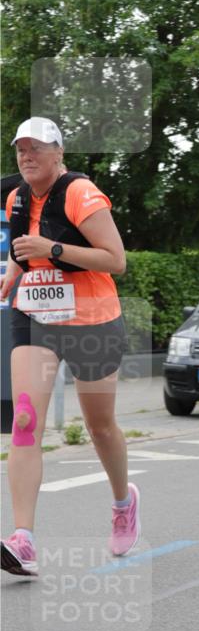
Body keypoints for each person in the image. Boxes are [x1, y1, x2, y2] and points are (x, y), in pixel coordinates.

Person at [0, 118, 137, 578]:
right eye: (21, 149)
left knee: (99, 427)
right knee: (24, 419)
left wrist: (53, 249)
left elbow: (115, 260)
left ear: (59, 153)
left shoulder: (81, 194)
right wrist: (12, 277)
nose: (26, 156)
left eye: (36, 148)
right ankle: (24, 539)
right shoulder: (16, 197)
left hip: (93, 321)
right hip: (35, 318)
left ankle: (123, 501)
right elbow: (24, 252)